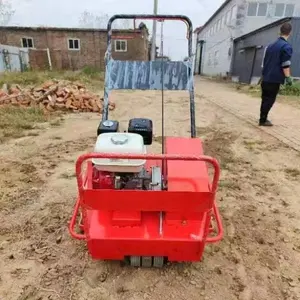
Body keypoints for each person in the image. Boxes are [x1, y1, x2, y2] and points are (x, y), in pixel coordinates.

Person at [259, 22, 293, 126]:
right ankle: (263, 120)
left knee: (265, 99)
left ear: (280, 31)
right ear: (289, 33)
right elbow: (285, 64)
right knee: (270, 99)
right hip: (274, 79)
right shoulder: (286, 47)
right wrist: (288, 77)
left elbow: (263, 63)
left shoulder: (269, 46)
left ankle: (262, 118)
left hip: (266, 77)